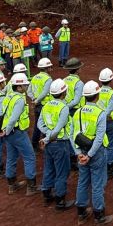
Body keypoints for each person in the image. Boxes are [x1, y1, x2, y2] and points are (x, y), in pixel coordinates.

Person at [71, 80, 113, 226]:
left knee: (83, 181)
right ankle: (99, 218)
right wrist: (90, 155)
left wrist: (79, 154)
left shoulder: (77, 112)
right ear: (97, 96)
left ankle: (81, 213)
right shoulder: (100, 113)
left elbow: (72, 135)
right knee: (97, 184)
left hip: (82, 151)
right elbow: (99, 137)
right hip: (96, 153)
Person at [0, 73, 39, 196]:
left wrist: (5, 131)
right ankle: (31, 187)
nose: (26, 86)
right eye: (24, 85)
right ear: (19, 87)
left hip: (9, 133)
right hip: (17, 132)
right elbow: (13, 118)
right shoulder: (19, 99)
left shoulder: (8, 97)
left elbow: (1, 114)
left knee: (11, 157)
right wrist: (7, 130)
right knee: (29, 157)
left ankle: (12, 185)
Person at [37, 78, 75, 211]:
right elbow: (58, 128)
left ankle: (47, 194)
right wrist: (48, 138)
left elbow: (40, 124)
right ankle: (60, 201)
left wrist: (47, 136)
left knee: (49, 168)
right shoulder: (63, 108)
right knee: (62, 172)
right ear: (64, 92)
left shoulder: (46, 105)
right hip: (60, 144)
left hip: (49, 145)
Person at [97, 68, 113, 178]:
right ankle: (109, 168)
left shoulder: (97, 91)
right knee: (112, 145)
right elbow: (110, 109)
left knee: (101, 144)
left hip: (98, 122)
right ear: (111, 80)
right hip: (110, 122)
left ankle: (100, 166)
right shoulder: (112, 94)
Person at [63, 57, 85, 170]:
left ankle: (70, 158)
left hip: (66, 109)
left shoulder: (64, 80)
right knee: (75, 134)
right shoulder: (79, 83)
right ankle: (74, 158)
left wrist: (64, 107)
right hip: (75, 110)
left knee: (68, 132)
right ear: (77, 69)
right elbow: (76, 100)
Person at [28, 57, 54, 150]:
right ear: (47, 68)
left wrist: (34, 99)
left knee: (37, 125)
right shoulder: (48, 79)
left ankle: (34, 145)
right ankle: (45, 144)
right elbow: (45, 92)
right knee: (46, 125)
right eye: (50, 67)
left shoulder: (34, 77)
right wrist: (37, 100)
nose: (51, 69)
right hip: (45, 105)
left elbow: (29, 91)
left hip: (37, 106)